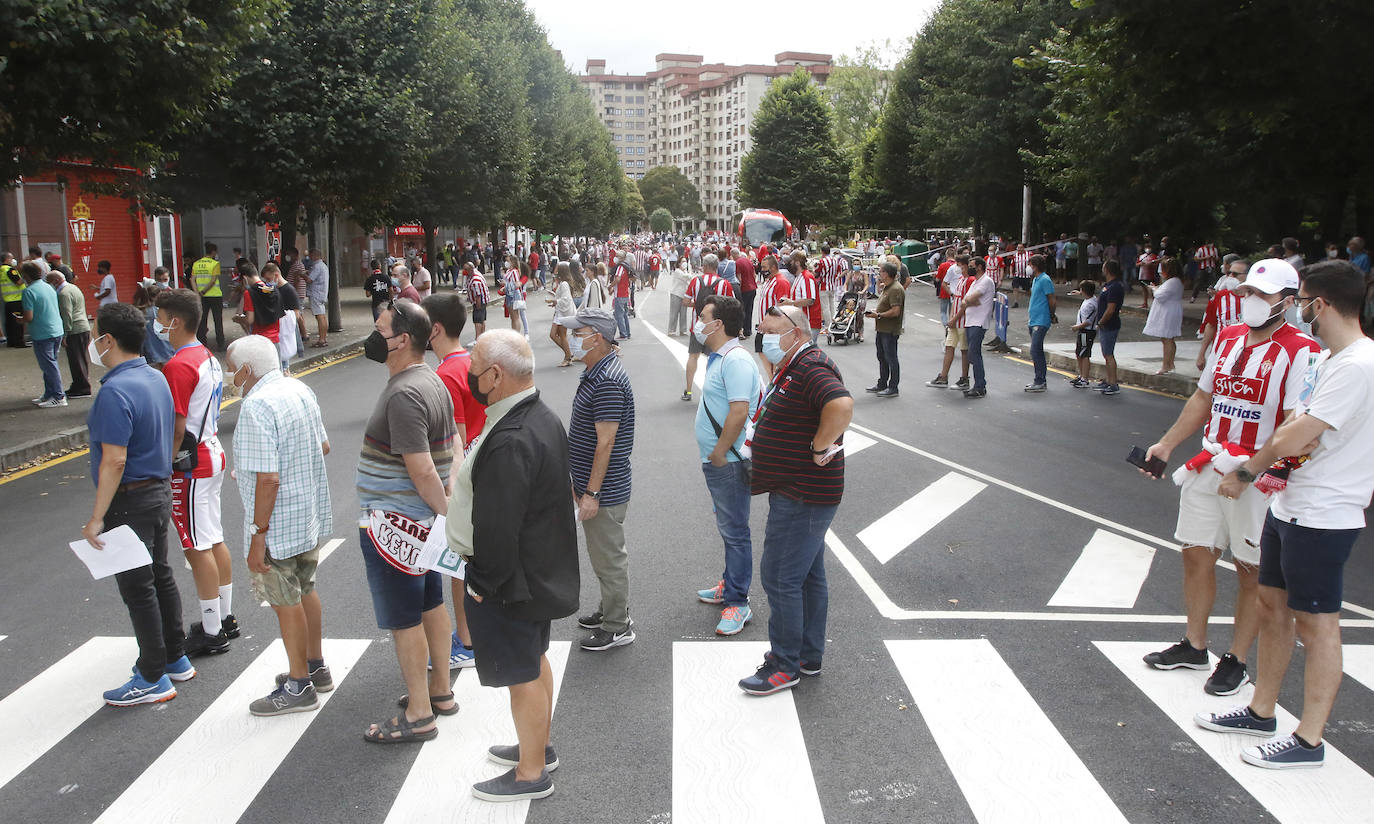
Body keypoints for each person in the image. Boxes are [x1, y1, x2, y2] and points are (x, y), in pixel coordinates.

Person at [1200, 260, 1374, 769]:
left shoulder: (1358, 366)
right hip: (1291, 505)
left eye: (1303, 305)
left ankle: (1310, 740)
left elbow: (1292, 434)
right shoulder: (1333, 361)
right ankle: (1261, 710)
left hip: (1325, 513)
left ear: (1319, 304)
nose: (1301, 315)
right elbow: (1298, 424)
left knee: (1318, 626)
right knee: (1273, 606)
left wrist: (1246, 471)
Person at [1143, 258, 1317, 697]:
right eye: (1247, 293)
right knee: (1195, 552)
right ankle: (1195, 644)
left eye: (1262, 295)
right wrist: (1167, 444)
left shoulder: (1302, 351)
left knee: (1250, 569)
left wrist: (1250, 471)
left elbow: (1298, 425)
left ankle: (1236, 659)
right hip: (1210, 460)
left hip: (1256, 475)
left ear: (1288, 301)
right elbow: (1204, 397)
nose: (1250, 301)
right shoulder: (1229, 337)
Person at [447, 330, 578, 802]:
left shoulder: (511, 437)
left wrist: (481, 583)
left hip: (511, 581)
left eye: (475, 367)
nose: (469, 375)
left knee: (521, 672)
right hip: (534, 572)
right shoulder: (537, 416)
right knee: (532, 659)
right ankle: (537, 747)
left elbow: (498, 525)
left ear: (496, 376)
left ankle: (530, 774)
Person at [356, 300, 457, 743]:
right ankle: (440, 690)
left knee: (404, 619)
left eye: (381, 329)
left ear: (402, 340)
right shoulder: (430, 381)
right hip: (422, 526)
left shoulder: (403, 394)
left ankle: (419, 714)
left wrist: (447, 513)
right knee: (430, 604)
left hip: (397, 528)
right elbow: (452, 445)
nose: (375, 335)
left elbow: (422, 469)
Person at [83, 302, 193, 705]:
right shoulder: (156, 377)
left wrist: (96, 518)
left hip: (129, 499)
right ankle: (174, 658)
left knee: (138, 588)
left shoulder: (114, 391)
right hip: (158, 491)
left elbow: (114, 458)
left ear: (107, 340)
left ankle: (151, 675)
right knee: (160, 576)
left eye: (97, 335)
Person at [740, 304, 853, 695]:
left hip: (803, 493)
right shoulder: (794, 364)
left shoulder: (809, 367)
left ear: (796, 333)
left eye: (771, 331)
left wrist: (821, 444)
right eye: (762, 330)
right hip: (799, 490)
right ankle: (807, 655)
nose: (764, 337)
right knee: (807, 576)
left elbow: (840, 404)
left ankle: (784, 664)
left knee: (780, 576)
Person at [224, 334, 335, 715]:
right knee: (305, 589)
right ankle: (315, 666)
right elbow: (322, 447)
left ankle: (298, 683)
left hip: (275, 523)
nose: (229, 375)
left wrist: (258, 537)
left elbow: (267, 479)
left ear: (247, 370)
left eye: (231, 367)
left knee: (284, 600)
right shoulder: (299, 389)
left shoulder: (256, 406)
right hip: (306, 513)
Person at [154, 288, 238, 657]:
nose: (156, 325)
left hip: (189, 462)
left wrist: (164, 463)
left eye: (159, 318)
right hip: (212, 452)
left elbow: (177, 425)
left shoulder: (177, 365)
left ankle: (211, 630)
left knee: (194, 545)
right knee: (213, 537)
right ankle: (224, 617)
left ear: (176, 321)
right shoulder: (207, 356)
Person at [556, 308, 637, 651]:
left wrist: (591, 492)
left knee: (608, 556)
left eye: (580, 332)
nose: (573, 337)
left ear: (599, 338)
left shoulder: (606, 380)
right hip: (595, 485)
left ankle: (618, 626)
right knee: (602, 554)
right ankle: (610, 609)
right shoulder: (596, 371)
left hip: (604, 489)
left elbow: (606, 442)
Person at [693, 295, 763, 635]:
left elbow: (739, 411)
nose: (698, 322)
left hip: (730, 462)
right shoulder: (719, 358)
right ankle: (729, 584)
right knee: (728, 528)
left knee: (735, 533)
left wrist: (720, 452)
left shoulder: (735, 361)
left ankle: (738, 603)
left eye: (703, 316)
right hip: (722, 461)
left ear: (718, 324)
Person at [422, 293, 485, 671]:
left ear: (435, 329)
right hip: (482, 468)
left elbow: (454, 439)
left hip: (461, 478)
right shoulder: (469, 363)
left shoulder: (445, 374)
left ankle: (466, 640)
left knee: (456, 565)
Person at [682, 254, 734, 401]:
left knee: (693, 356)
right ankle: (710, 390)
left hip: (697, 325)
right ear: (717, 266)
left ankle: (689, 390)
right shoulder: (724, 283)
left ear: (704, 266)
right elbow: (731, 304)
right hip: (716, 328)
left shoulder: (695, 281)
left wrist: (699, 306)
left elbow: (685, 301)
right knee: (713, 358)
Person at [20, 262, 67, 407]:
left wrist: (19, 320)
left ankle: (59, 396)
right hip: (56, 330)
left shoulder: (29, 291)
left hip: (42, 333)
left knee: (49, 366)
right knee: (50, 364)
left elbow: (29, 317)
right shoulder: (49, 287)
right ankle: (49, 394)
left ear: (26, 275)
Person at [926, 256, 971, 391]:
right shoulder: (960, 281)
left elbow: (965, 305)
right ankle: (943, 376)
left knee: (964, 350)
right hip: (954, 321)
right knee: (949, 346)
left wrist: (954, 319)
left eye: (961, 266)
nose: (958, 268)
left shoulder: (970, 281)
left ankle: (964, 378)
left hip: (963, 321)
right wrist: (951, 317)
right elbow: (955, 300)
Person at [1196, 257, 1248, 371]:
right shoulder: (1220, 297)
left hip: (1246, 354)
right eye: (1229, 273)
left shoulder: (1256, 299)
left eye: (1235, 274)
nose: (1230, 277)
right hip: (1219, 352)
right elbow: (1211, 325)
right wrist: (1201, 354)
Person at [46, 269, 92, 397]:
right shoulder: (73, 288)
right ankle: (79, 384)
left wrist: (65, 334)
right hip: (83, 327)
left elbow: (67, 315)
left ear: (55, 281)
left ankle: (82, 387)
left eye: (49, 282)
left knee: (76, 360)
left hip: (74, 330)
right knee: (81, 358)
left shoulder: (63, 294)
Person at [865, 262, 905, 398]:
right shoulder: (887, 287)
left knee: (891, 358)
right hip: (882, 328)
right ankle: (882, 383)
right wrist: (877, 312)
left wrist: (879, 315)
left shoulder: (895, 289)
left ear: (886, 273)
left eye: (881, 271)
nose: (879, 274)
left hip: (890, 330)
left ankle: (893, 386)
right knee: (882, 357)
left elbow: (895, 311)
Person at [958, 258, 995, 399]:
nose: (970, 268)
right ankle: (978, 384)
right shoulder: (974, 282)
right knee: (972, 354)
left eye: (972, 266)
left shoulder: (986, 281)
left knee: (974, 353)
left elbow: (969, 299)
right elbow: (965, 300)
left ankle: (980, 386)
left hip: (979, 322)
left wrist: (968, 302)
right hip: (970, 321)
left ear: (979, 267)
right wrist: (968, 301)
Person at [1143, 257, 1185, 374]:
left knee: (1167, 338)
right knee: (1168, 338)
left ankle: (1166, 365)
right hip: (1169, 310)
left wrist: (1154, 289)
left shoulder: (1173, 281)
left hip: (1168, 312)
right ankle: (1170, 364)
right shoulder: (1174, 281)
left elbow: (1160, 295)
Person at [1092, 260, 1125, 395]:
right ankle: (1108, 380)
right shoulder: (1108, 285)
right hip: (1106, 324)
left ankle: (1113, 383)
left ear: (1108, 270)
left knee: (1109, 354)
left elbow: (1111, 309)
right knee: (1106, 354)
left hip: (1109, 324)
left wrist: (1101, 322)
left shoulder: (1115, 287)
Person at [1024, 254, 1056, 392]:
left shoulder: (1045, 279)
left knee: (1035, 350)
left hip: (1041, 320)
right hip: (1034, 319)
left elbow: (1051, 299)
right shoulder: (1036, 280)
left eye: (1030, 264)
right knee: (1037, 351)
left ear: (1035, 266)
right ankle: (1039, 379)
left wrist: (1052, 314)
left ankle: (1040, 380)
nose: (1029, 267)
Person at [784, 251, 822, 344]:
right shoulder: (799, 277)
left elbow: (809, 300)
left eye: (791, 261)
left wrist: (791, 302)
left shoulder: (806, 277)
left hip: (809, 323)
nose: (789, 264)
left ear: (797, 262)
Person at [192, 243, 225, 350]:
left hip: (202, 297)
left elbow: (192, 279)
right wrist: (204, 291)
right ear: (214, 252)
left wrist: (197, 293)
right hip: (215, 295)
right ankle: (220, 343)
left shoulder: (196, 263)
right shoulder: (215, 264)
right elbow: (213, 280)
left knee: (202, 319)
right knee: (217, 320)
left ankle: (202, 343)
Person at [546, 262, 576, 366]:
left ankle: (568, 356)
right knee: (555, 334)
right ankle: (568, 354)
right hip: (560, 311)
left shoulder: (564, 284)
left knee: (560, 335)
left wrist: (555, 301)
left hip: (563, 312)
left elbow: (566, 299)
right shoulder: (564, 283)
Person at [1069, 280, 1099, 387]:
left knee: (1085, 354)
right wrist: (1080, 293)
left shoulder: (1090, 304)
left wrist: (1077, 327)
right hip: (1083, 332)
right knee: (1079, 352)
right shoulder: (1090, 299)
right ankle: (1081, 375)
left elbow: (1088, 321)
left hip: (1087, 331)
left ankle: (1085, 378)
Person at [306, 248, 330, 347]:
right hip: (322, 293)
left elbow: (309, 280)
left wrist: (302, 275)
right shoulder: (323, 266)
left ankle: (321, 339)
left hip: (316, 293)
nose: (310, 258)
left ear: (315, 256)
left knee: (319, 316)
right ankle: (323, 338)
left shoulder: (317, 266)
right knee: (322, 316)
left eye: (311, 256)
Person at [611, 254, 635, 340]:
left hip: (619, 294)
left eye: (617, 256)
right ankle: (627, 333)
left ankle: (623, 334)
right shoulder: (626, 267)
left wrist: (610, 286)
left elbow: (617, 279)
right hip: (625, 294)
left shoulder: (620, 268)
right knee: (624, 314)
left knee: (619, 315)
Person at [667, 256, 692, 336]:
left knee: (683, 313)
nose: (684, 263)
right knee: (674, 313)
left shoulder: (685, 272)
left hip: (684, 295)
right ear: (679, 263)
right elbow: (687, 278)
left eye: (685, 261)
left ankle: (683, 330)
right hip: (676, 294)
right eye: (683, 261)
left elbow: (689, 281)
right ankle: (671, 330)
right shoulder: (677, 271)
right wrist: (690, 273)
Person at [465, 262, 489, 339]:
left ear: (470, 270)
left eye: (466, 270)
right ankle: (482, 336)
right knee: (482, 319)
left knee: (478, 320)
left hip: (479, 301)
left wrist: (478, 306)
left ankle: (478, 338)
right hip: (482, 300)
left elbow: (478, 295)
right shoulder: (473, 274)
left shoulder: (475, 280)